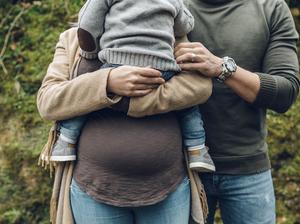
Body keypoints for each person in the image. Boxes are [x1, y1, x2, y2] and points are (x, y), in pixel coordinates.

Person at [37, 27, 212, 223]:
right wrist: (107, 82)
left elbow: (199, 87)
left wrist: (126, 100)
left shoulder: (166, 31)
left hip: (169, 188)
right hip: (93, 191)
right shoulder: (73, 38)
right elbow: (48, 101)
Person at [49, 0, 215, 172]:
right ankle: (197, 149)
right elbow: (185, 25)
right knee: (188, 109)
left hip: (117, 61)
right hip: (161, 68)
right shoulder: (69, 40)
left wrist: (90, 53)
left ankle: (66, 141)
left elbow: (87, 23)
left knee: (86, 100)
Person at [174, 0, 300, 223]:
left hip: (248, 169)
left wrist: (222, 68)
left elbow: (286, 92)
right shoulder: (170, 4)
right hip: (180, 169)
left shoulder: (270, 7)